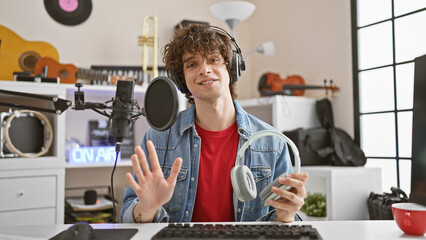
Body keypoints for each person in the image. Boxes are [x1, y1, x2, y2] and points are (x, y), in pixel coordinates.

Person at [121, 24, 308, 223]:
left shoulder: (272, 142)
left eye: (213, 59)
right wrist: (147, 209)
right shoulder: (158, 139)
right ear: (182, 79)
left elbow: (284, 223)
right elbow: (128, 214)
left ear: (231, 67)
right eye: (192, 64)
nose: (204, 70)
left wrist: (287, 215)